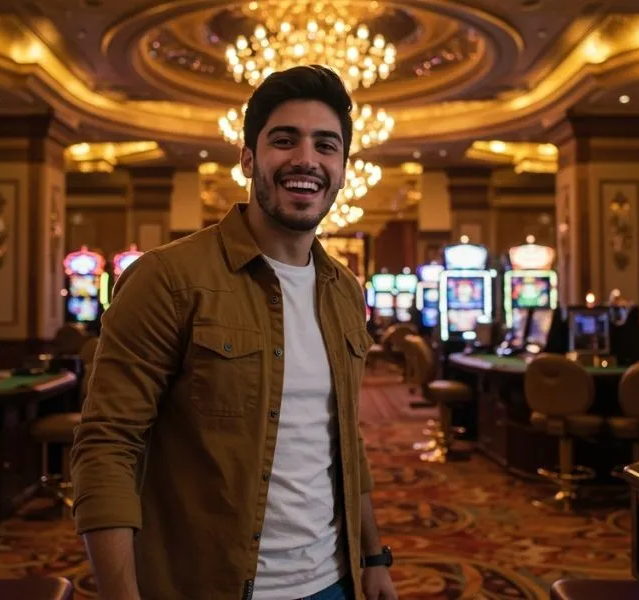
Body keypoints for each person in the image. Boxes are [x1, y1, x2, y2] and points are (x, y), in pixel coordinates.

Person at [70, 65, 398, 600]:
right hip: (208, 585)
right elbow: (108, 446)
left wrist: (373, 556)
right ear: (247, 158)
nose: (306, 159)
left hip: (334, 581)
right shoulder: (167, 278)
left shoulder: (345, 291)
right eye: (284, 140)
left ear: (342, 169)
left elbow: (344, 439)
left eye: (326, 145)